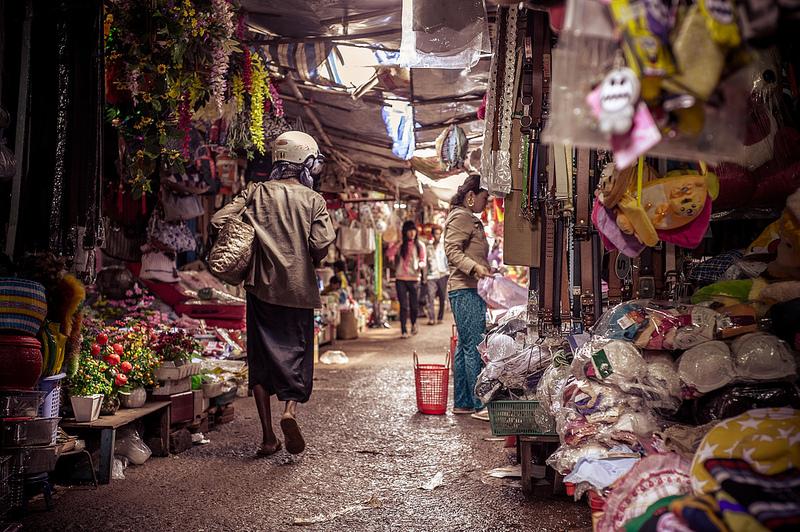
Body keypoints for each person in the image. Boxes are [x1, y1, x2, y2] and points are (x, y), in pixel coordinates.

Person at [211, 131, 334, 456]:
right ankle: (289, 412)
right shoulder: (312, 200)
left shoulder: (256, 191)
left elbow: (220, 219)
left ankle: (267, 437)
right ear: (305, 163)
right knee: (296, 354)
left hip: (260, 290)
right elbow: (321, 244)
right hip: (298, 292)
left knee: (261, 361)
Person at [444, 174, 491, 416]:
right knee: (474, 345)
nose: (487, 202)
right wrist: (475, 268)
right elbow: (451, 250)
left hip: (467, 288)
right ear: (471, 196)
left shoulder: (464, 217)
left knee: (465, 345)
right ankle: (479, 403)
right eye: (485, 197)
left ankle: (463, 401)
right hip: (465, 289)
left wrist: (484, 266)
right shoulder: (461, 217)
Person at [395, 220, 426, 339]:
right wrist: (395, 245)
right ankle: (403, 330)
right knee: (403, 305)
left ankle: (413, 324)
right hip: (400, 278)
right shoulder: (400, 245)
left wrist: (421, 265)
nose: (412, 233)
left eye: (413, 230)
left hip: (414, 278)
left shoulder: (420, 245)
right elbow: (390, 254)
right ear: (405, 232)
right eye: (409, 230)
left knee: (414, 305)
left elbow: (423, 260)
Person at [425, 226, 449, 325]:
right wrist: (424, 275)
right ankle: (431, 318)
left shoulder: (444, 246)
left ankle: (440, 317)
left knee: (442, 297)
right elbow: (426, 262)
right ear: (433, 235)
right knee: (430, 297)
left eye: (439, 233)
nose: (437, 236)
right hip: (431, 275)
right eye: (436, 233)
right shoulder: (428, 247)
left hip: (443, 274)